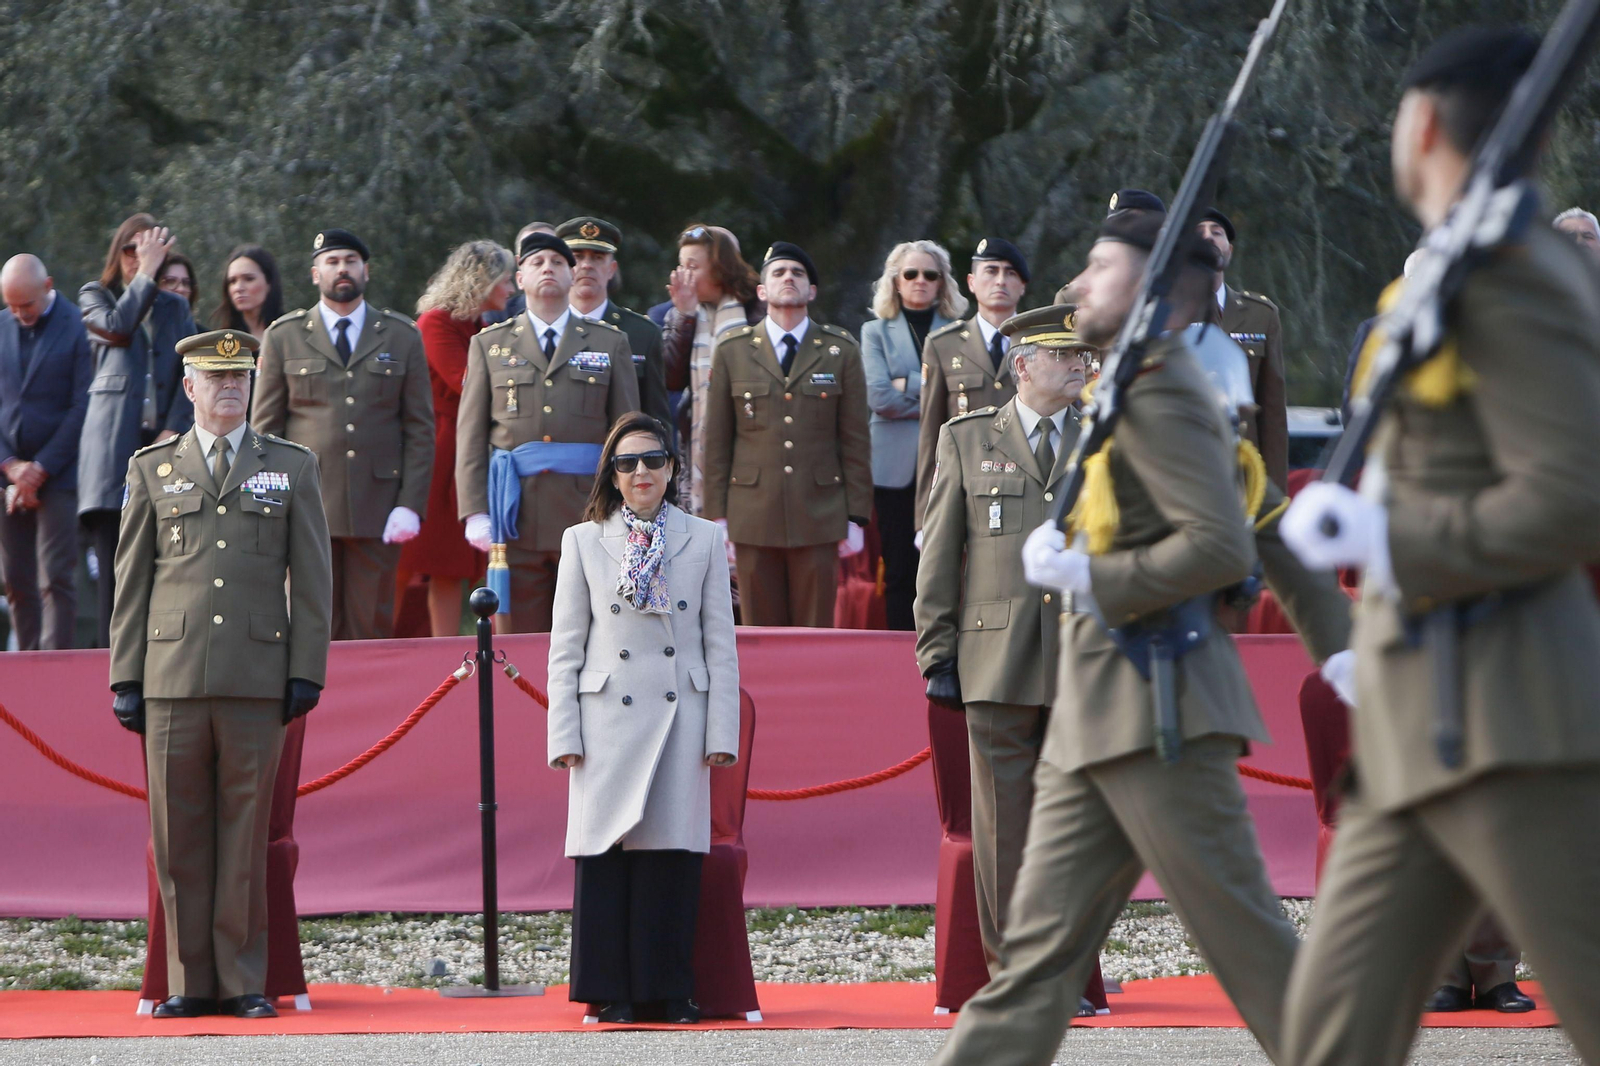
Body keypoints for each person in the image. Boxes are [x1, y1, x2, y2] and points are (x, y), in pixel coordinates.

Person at [928, 209, 1350, 1066]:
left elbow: (1229, 541)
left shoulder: (1161, 393)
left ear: (1156, 290)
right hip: (1096, 717)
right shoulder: (1129, 390)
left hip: (1159, 710)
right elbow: (1263, 513)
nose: (1077, 284)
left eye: (1099, 266)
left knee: (1251, 948)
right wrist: (1339, 647)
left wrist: (1092, 576)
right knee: (1031, 968)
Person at [1279, 26, 1600, 1064]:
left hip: (1515, 724)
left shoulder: (1514, 274)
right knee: (1333, 1034)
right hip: (1419, 714)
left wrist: (1392, 535)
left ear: (1419, 126)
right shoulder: (1459, 269)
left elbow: (1570, 495)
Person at [109, 328, 332, 1019]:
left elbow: (315, 577)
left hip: (256, 673)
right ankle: (188, 981)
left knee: (244, 835)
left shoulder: (290, 466)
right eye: (216, 377)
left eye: (240, 377)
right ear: (190, 387)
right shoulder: (153, 467)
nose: (229, 387)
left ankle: (241, 982)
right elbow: (132, 577)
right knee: (178, 836)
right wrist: (125, 675)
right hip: (171, 673)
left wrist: (306, 669)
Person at [915, 304, 1108, 1017]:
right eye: (1065, 357)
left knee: (1076, 826)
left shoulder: (1101, 441)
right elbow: (938, 557)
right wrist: (936, 652)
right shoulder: (968, 439)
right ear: (1023, 365)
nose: (1080, 368)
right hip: (994, 658)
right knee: (1001, 833)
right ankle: (1015, 978)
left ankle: (1070, 973)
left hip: (1084, 659)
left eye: (1085, 358)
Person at [547, 412, 739, 1025]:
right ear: (612, 474)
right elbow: (566, 648)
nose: (641, 473)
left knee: (671, 856)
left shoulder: (704, 537)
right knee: (609, 853)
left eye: (653, 460)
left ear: (672, 468)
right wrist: (564, 734)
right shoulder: (582, 541)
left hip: (680, 712)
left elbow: (720, 644)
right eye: (627, 463)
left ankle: (668, 989)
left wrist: (721, 733)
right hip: (606, 716)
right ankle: (612, 991)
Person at [251, 228, 433, 641]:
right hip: (307, 504)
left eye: (350, 261)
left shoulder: (402, 336)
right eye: (332, 262)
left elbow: (420, 429)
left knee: (371, 626)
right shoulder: (284, 336)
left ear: (366, 270)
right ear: (316, 274)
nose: (342, 269)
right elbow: (266, 431)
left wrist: (410, 504)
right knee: (309, 626)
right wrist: (270, 502)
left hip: (379, 507)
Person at [457, 231, 639, 633]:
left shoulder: (610, 343)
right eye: (537, 263)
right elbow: (470, 434)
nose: (547, 270)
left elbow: (628, 433)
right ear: (519, 278)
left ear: (572, 277)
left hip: (589, 510)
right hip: (516, 513)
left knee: (594, 635)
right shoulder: (490, 345)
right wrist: (475, 511)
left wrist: (629, 503)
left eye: (558, 263)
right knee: (520, 638)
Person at [701, 242, 873, 627]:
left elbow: (855, 438)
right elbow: (716, 441)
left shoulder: (839, 349)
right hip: (751, 512)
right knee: (760, 628)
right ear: (761, 291)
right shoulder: (733, 350)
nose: (788, 279)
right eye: (778, 273)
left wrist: (856, 515)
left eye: (798, 273)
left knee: (816, 629)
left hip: (820, 511)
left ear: (811, 291)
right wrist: (717, 516)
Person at [78, 213, 197, 648]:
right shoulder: (96, 296)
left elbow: (191, 376)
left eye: (149, 250)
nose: (139, 257)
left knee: (167, 566)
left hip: (164, 453)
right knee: (114, 575)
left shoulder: (176, 308)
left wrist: (173, 430)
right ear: (119, 253)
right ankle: (116, 675)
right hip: (112, 459)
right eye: (131, 250)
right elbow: (117, 328)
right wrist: (146, 274)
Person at [401, 240, 515, 636]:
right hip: (446, 454)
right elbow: (466, 383)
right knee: (445, 565)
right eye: (506, 279)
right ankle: (443, 660)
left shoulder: (481, 327)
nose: (512, 288)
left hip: (479, 449)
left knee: (495, 561)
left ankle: (505, 656)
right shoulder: (436, 322)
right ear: (482, 279)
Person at [860, 240, 965, 630]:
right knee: (900, 569)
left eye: (930, 274)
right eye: (911, 274)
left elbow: (962, 401)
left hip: (948, 462)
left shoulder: (959, 332)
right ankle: (899, 655)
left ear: (942, 283)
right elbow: (880, 397)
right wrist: (936, 394)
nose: (920, 280)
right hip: (894, 469)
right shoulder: (874, 332)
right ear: (895, 282)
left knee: (946, 567)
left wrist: (909, 384)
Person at [0, 255, 91, 650]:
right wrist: (11, 467)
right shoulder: (1, 325)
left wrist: (41, 468)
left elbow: (81, 406)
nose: (20, 314)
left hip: (61, 472)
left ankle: (56, 672)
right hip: (9, 475)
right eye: (12, 306)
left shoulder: (78, 327)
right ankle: (25, 674)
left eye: (28, 305)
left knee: (55, 577)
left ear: (48, 285)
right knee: (16, 580)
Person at [915, 238, 1029, 526]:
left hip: (1027, 488)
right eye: (991, 271)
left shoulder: (1038, 344)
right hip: (963, 489)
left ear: (1023, 286)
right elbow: (931, 436)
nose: (1001, 280)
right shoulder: (944, 345)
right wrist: (924, 516)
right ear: (971, 282)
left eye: (1011, 273)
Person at [661, 225, 763, 515]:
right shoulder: (681, 312)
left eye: (692, 266)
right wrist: (685, 317)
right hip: (697, 448)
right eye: (681, 265)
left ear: (721, 267)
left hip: (752, 442)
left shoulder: (758, 309)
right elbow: (670, 377)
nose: (683, 275)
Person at [1196, 207, 1289, 490]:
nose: (1209, 238)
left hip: (1242, 476)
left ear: (1230, 249)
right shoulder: (1162, 314)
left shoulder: (1260, 314)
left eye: (1217, 232)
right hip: (1183, 471)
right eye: (1198, 233)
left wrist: (1273, 493)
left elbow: (1272, 413)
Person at [554, 216, 672, 428]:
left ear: (612, 269)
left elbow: (657, 417)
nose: (587, 265)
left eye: (598, 257)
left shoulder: (642, 334)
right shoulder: (547, 330)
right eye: (578, 257)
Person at [484, 221, 556, 326]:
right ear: (519, 262)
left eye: (555, 258)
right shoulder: (498, 317)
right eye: (535, 257)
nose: (547, 267)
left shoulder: (582, 312)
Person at [211, 245, 285, 337]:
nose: (238, 288)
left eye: (249, 279)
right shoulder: (223, 341)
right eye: (232, 281)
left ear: (269, 282)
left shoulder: (290, 332)